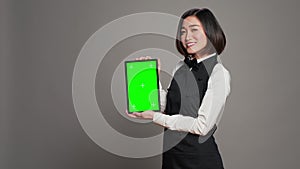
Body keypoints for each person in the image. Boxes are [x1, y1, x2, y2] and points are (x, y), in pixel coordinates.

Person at [127, 8, 231, 169]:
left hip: (200, 160)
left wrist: (155, 117)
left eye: (193, 30)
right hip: (172, 157)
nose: (187, 37)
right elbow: (169, 106)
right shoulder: (180, 66)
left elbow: (202, 126)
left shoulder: (219, 73)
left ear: (209, 32)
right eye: (183, 31)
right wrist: (152, 80)